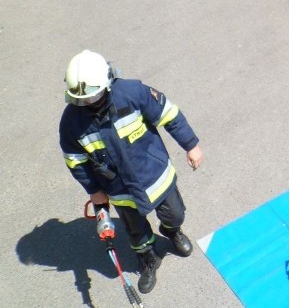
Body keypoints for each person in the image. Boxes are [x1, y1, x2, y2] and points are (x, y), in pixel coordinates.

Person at [58, 50, 203, 294]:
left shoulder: (133, 93)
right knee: (136, 232)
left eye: (92, 97)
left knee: (175, 214)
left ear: (107, 82)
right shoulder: (71, 123)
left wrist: (191, 145)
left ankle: (171, 230)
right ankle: (148, 258)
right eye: (81, 100)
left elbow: (169, 114)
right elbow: (74, 160)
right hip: (119, 189)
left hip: (157, 176)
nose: (86, 103)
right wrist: (94, 191)